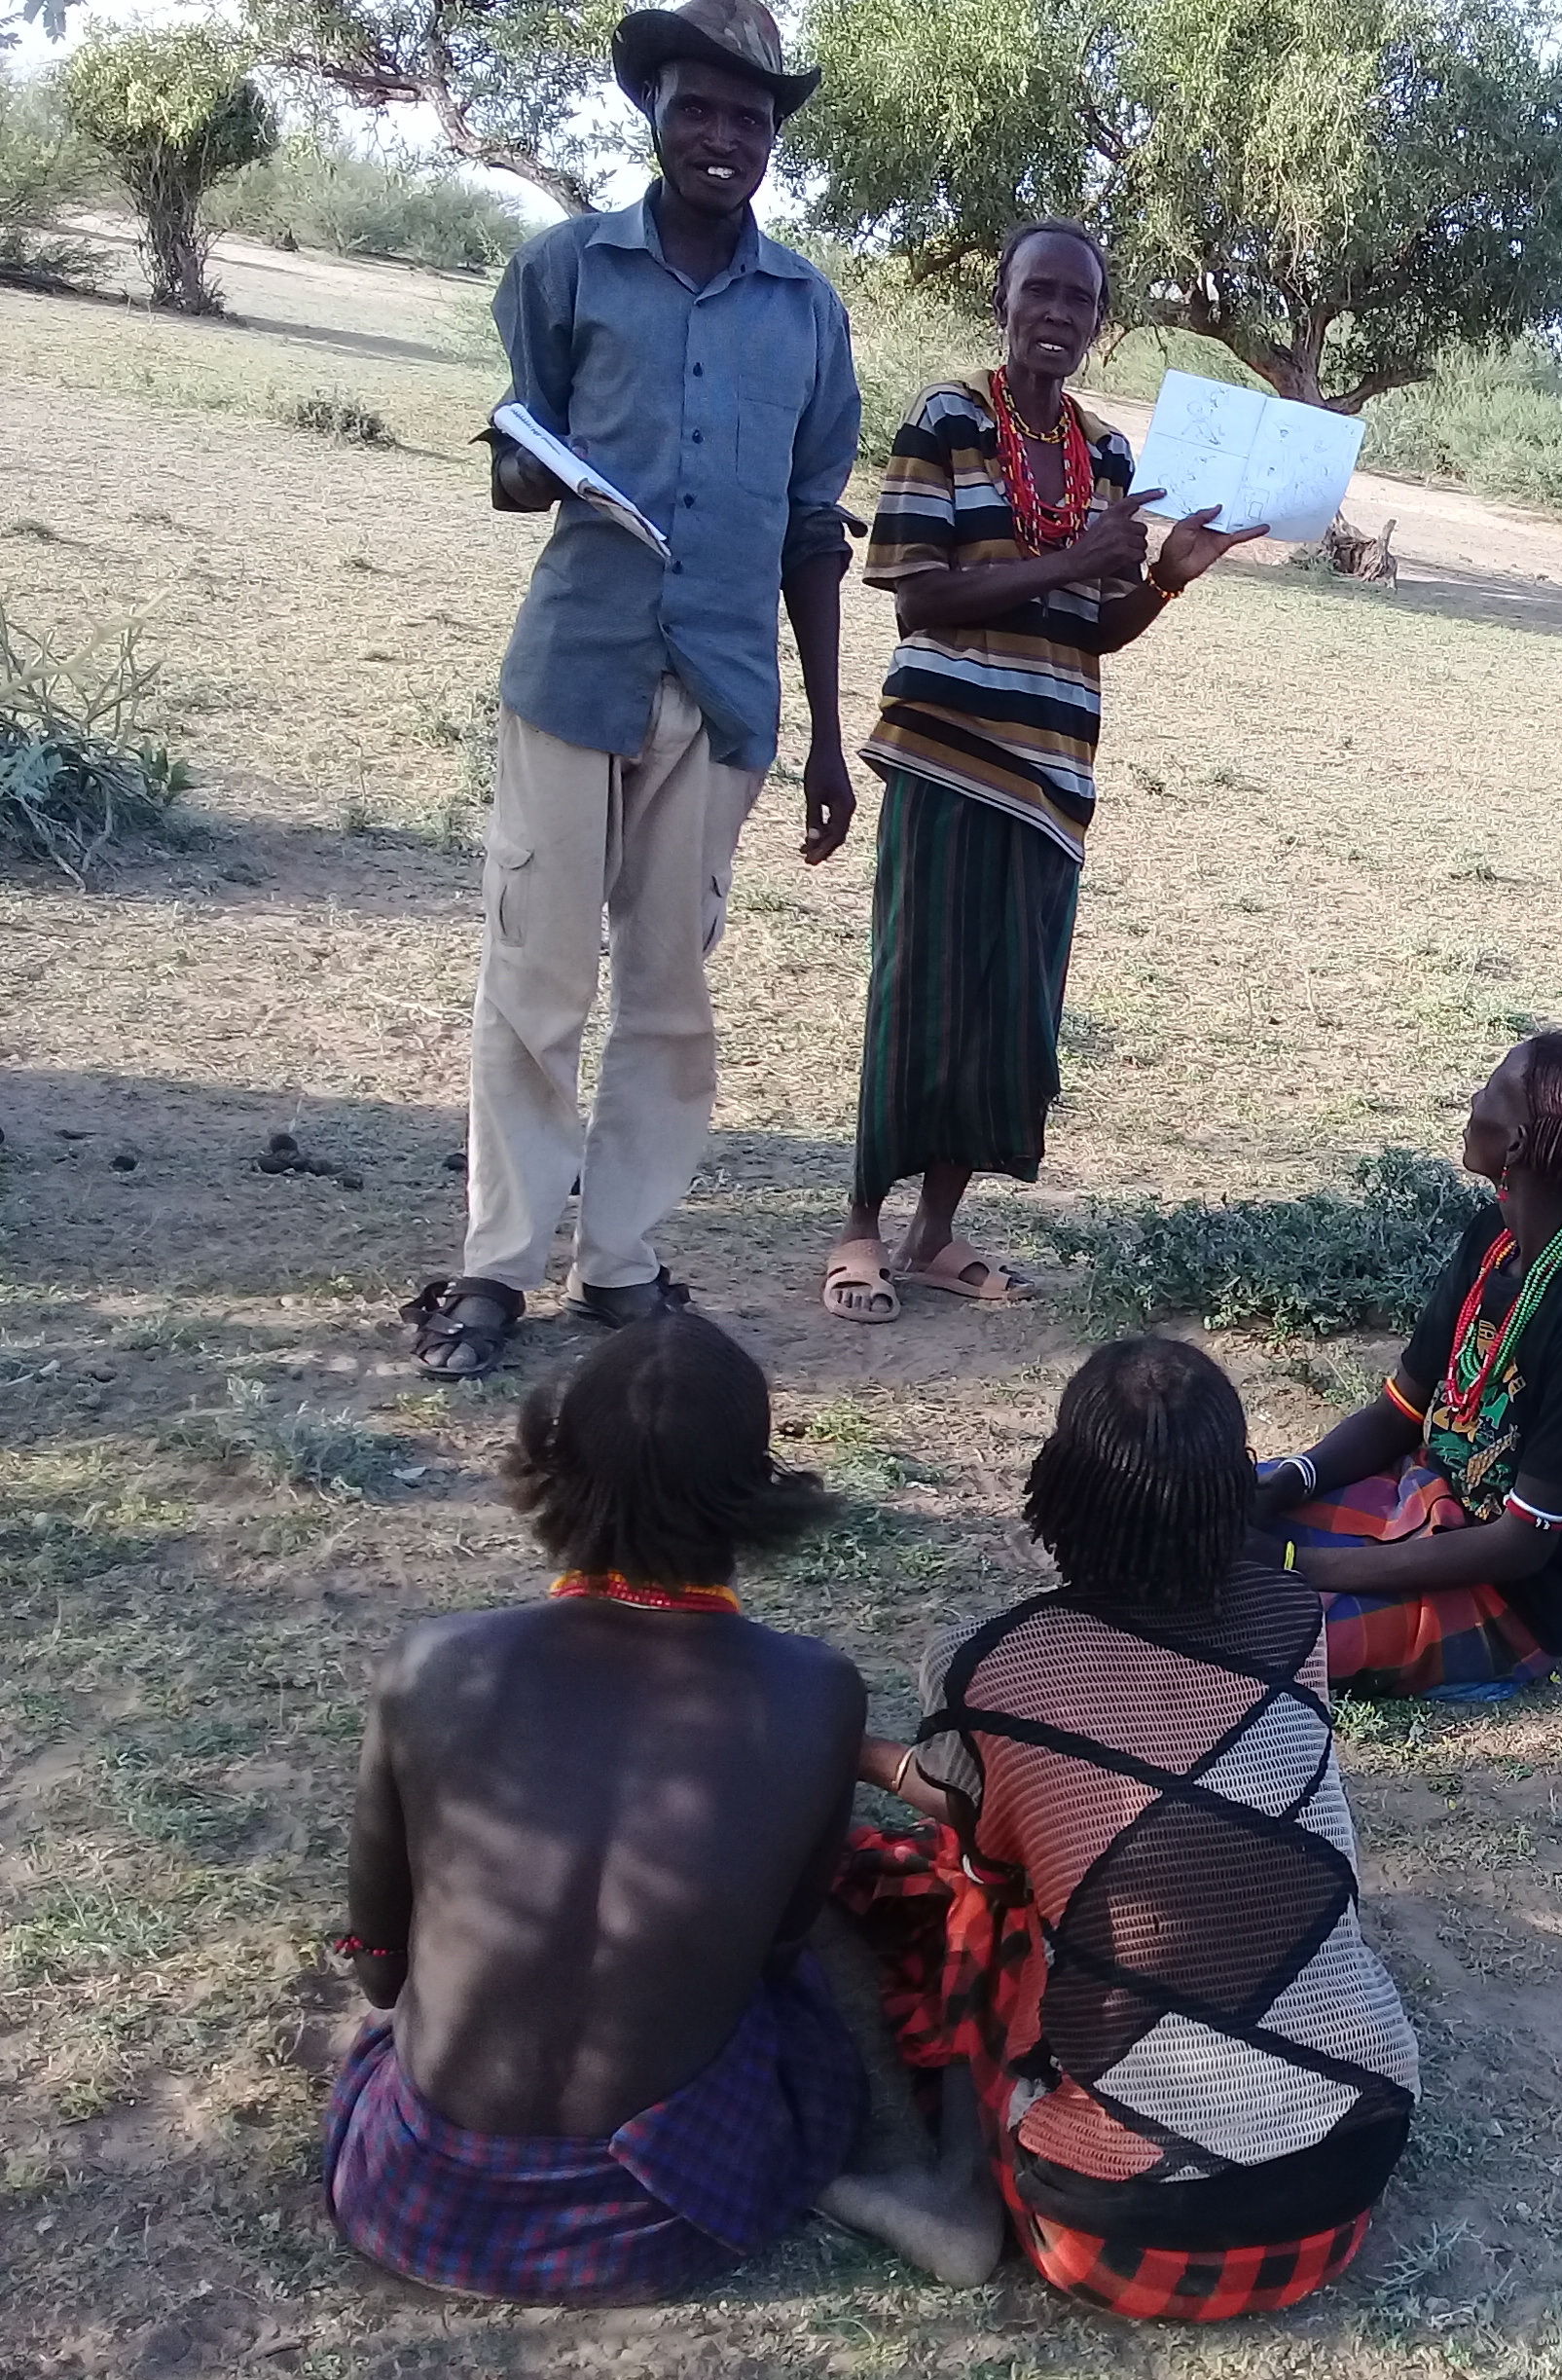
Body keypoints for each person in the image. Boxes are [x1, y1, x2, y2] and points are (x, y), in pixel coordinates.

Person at [405, 0, 860, 1381]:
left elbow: (810, 531)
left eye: (750, 116)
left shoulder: (809, 312)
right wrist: (524, 471)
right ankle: (496, 1268)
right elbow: (512, 456)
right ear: (651, 113)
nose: (722, 136)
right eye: (698, 108)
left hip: (721, 693)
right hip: (576, 671)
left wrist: (830, 736)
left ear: (775, 139)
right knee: (534, 978)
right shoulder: (566, 269)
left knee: (669, 993)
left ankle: (620, 1264)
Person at [822, 1337, 1421, 2317]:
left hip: (1111, 2233)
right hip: (1347, 2176)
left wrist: (849, 1744)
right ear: (1238, 1489)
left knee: (990, 1894)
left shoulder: (994, 1672)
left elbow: (979, 1829)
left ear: (1058, 1489)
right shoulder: (1293, 1618)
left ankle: (954, 2186)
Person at [325, 1312, 866, 2302]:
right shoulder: (814, 1691)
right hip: (668, 2216)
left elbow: (377, 1962)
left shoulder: (433, 1663)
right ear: (755, 1492)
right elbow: (781, 1955)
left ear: (551, 1466)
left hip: (415, 2188)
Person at [820, 219, 1264, 1323]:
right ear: (1004, 301)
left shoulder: (1111, 456)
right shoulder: (948, 419)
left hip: (1052, 777)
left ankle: (935, 1235)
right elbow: (918, 592)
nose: (1058, 314)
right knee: (917, 995)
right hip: (945, 759)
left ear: (1099, 324)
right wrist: (1071, 558)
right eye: (1041, 292)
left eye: (1081, 300)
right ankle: (861, 1230)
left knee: (1010, 1016)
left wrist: (1164, 578)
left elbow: (1092, 630)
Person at [1262, 1034, 1562, 1699]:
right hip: (1429, 1499)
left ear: (1516, 1146)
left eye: (1490, 1091)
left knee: (1256, 1626)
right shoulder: (1493, 1239)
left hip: (1513, 1594)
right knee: (1204, 1513)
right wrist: (1296, 1477)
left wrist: (1300, 1565)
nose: (1473, 1102)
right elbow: (1403, 1409)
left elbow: (1521, 1544)